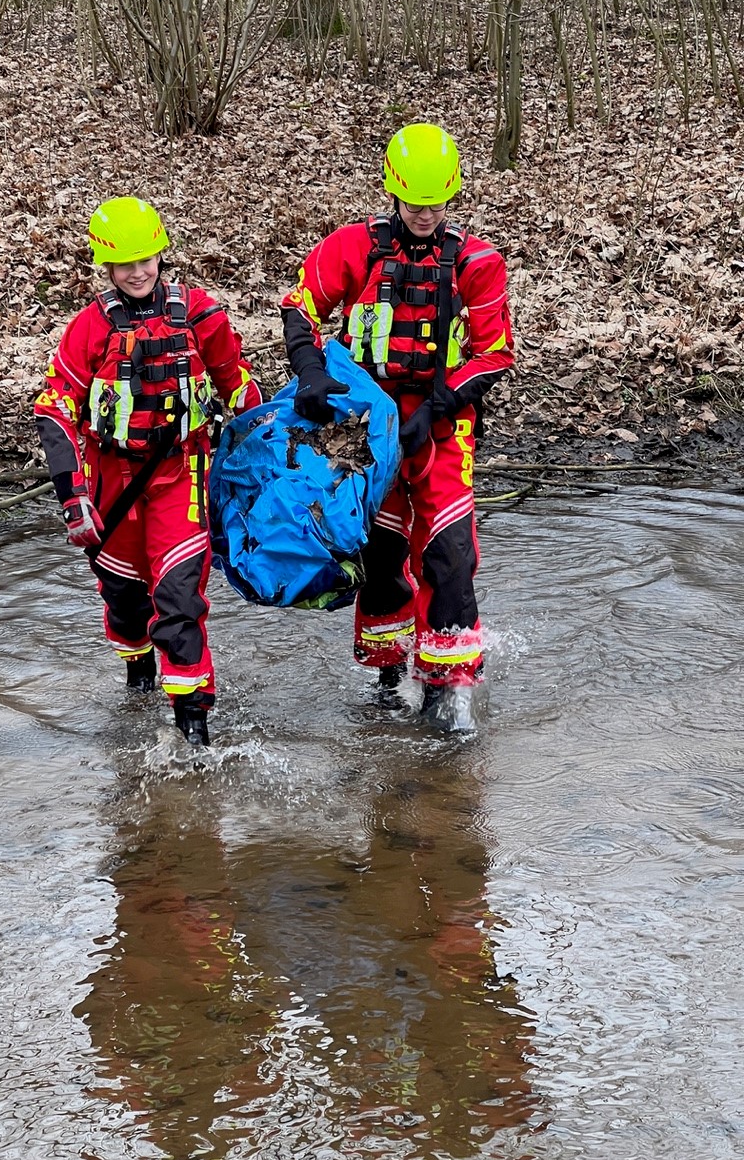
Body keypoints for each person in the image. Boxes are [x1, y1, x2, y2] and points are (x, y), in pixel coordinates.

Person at [280, 123, 514, 729]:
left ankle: (445, 696)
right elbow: (300, 305)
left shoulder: (477, 264)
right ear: (393, 194)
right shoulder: (353, 248)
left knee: (450, 554)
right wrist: (310, 371)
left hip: (440, 425)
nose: (425, 215)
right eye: (414, 204)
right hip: (369, 425)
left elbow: (494, 353)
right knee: (381, 555)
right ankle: (389, 678)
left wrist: (436, 407)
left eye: (436, 204)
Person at [35, 196, 263, 747]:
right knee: (124, 597)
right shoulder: (87, 331)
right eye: (126, 263)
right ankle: (138, 674)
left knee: (180, 600)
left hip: (184, 471)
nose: (139, 272)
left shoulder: (202, 315)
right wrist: (74, 498)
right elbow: (54, 410)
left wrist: (268, 465)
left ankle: (193, 731)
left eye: (148, 259)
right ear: (105, 267)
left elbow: (240, 389)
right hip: (112, 478)